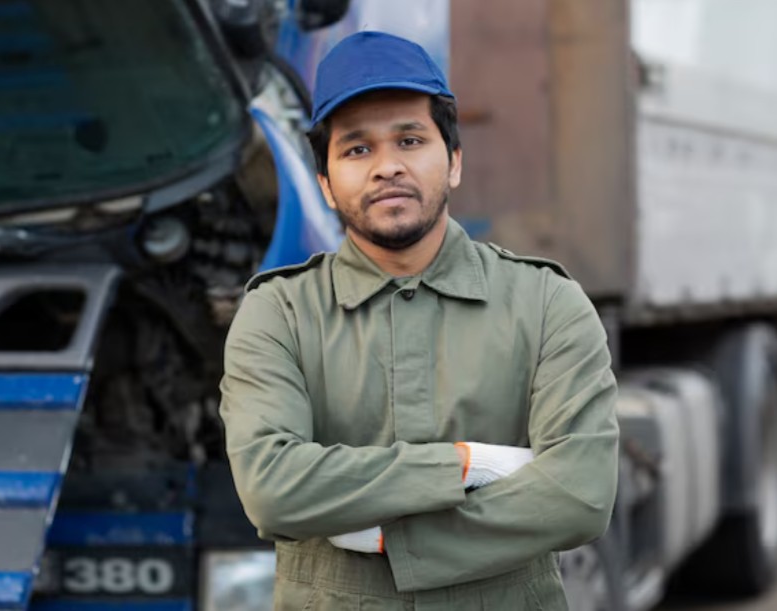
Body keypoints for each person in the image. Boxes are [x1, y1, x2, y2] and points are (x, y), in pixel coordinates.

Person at [219, 31, 618, 610]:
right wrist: (465, 464)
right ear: (326, 184)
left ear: (454, 161)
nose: (387, 167)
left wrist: (393, 539)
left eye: (410, 139)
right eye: (357, 149)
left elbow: (579, 495)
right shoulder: (278, 313)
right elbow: (273, 489)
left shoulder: (546, 303)